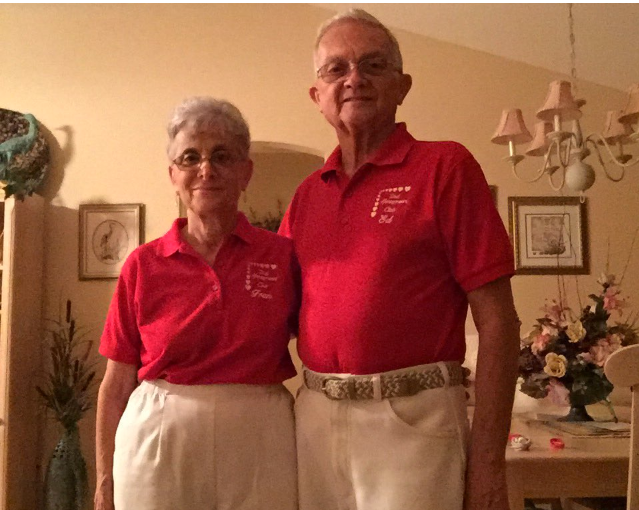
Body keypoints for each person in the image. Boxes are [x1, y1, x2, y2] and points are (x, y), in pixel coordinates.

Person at [279, 9, 520, 510]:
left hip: (415, 423)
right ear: (316, 95)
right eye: (336, 69)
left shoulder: (446, 167)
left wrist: (488, 463)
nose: (354, 79)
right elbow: (270, 316)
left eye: (373, 65)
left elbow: (498, 323)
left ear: (402, 85)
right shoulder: (306, 196)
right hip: (316, 421)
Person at [94, 97, 299, 510]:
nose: (206, 169)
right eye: (190, 157)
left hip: (261, 434)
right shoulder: (143, 265)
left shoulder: (282, 256)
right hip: (159, 433)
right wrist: (104, 480)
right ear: (173, 175)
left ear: (246, 172)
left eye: (222, 156)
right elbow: (116, 384)